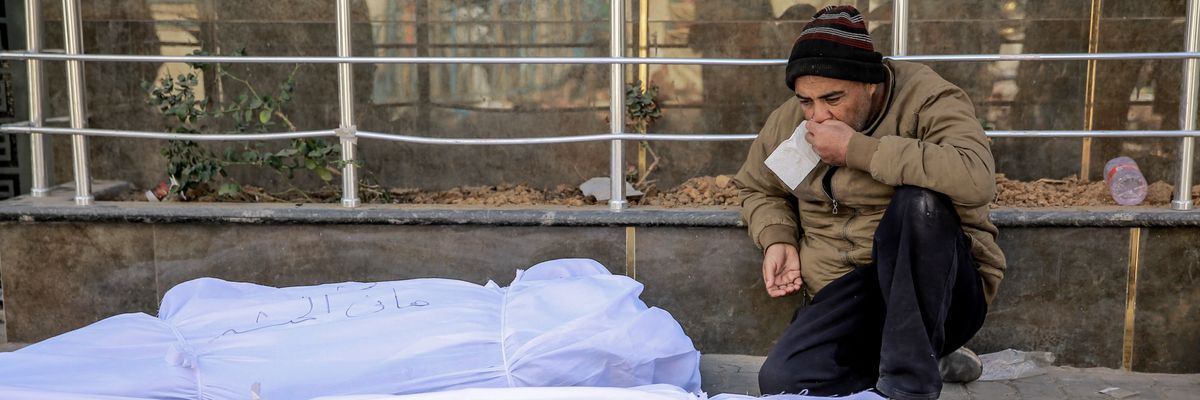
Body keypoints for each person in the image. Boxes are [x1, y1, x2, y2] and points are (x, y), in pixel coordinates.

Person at [731, 5, 1006, 400]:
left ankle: (909, 385)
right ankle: (923, 358)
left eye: (833, 98)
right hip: (847, 293)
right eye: (806, 101)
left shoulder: (927, 97)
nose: (818, 115)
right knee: (784, 382)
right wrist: (777, 237)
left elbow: (975, 176)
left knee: (919, 203)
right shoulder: (792, 119)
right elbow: (758, 187)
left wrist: (857, 150)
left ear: (871, 84)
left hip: (943, 291)